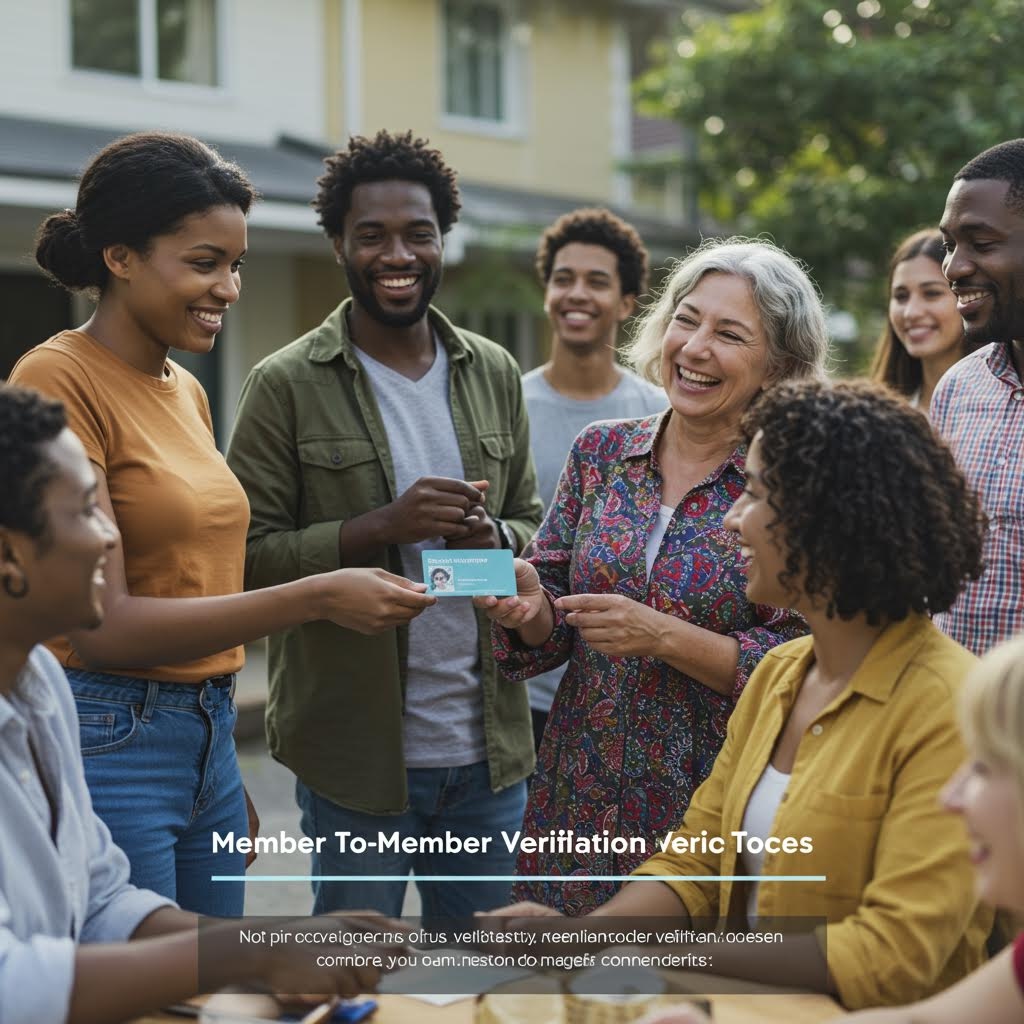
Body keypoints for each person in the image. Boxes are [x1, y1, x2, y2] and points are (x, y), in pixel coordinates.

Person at [10, 132, 435, 916]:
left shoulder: (187, 390)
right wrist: (315, 596)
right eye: (204, 263)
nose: (229, 289)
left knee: (211, 988)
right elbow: (103, 627)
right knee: (147, 986)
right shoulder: (58, 376)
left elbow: (198, 579)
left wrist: (217, 767)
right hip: (112, 730)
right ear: (121, 257)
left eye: (235, 266)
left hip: (204, 733)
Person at [490, 380, 992, 1009]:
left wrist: (647, 954)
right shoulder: (781, 677)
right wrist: (583, 937)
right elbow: (696, 861)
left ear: (829, 522)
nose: (731, 518)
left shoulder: (952, 709)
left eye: (753, 493)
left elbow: (890, 956)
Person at [225, 129, 544, 918]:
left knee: (484, 980)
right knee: (355, 975)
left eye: (418, 234)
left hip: (490, 753)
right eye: (372, 236)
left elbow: (537, 529)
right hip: (356, 759)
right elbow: (243, 561)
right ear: (338, 244)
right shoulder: (285, 383)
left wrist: (493, 539)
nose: (396, 254)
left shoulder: (494, 370)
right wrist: (377, 526)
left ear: (443, 241)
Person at [0, 384, 390, 1024]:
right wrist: (245, 953)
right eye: (86, 513)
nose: (109, 539)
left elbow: (98, 900)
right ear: (9, 553)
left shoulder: (38, 682)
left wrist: (276, 943)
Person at [476, 237, 827, 915]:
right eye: (686, 319)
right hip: (577, 789)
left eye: (729, 334)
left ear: (779, 365)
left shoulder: (793, 482)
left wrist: (662, 635)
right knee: (554, 996)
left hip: (705, 802)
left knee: (678, 1003)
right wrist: (529, 609)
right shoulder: (601, 451)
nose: (694, 348)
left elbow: (802, 666)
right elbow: (550, 616)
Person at [643, 635, 1024, 1024]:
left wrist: (663, 953)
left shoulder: (940, 692)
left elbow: (892, 957)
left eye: (983, 768)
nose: (952, 797)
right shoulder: (778, 670)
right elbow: (921, 1020)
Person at [521, 208, 666, 751]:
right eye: (563, 279)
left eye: (596, 281)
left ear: (627, 303)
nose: (576, 294)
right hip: (528, 691)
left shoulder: (661, 412)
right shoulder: (508, 406)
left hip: (632, 688)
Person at [933, 138, 1024, 655]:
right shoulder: (958, 391)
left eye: (981, 245)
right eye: (949, 245)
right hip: (951, 723)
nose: (953, 268)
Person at [869, 228, 969, 413]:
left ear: (967, 297)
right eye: (901, 296)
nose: (910, 313)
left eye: (931, 293)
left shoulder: (1004, 409)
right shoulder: (877, 414)